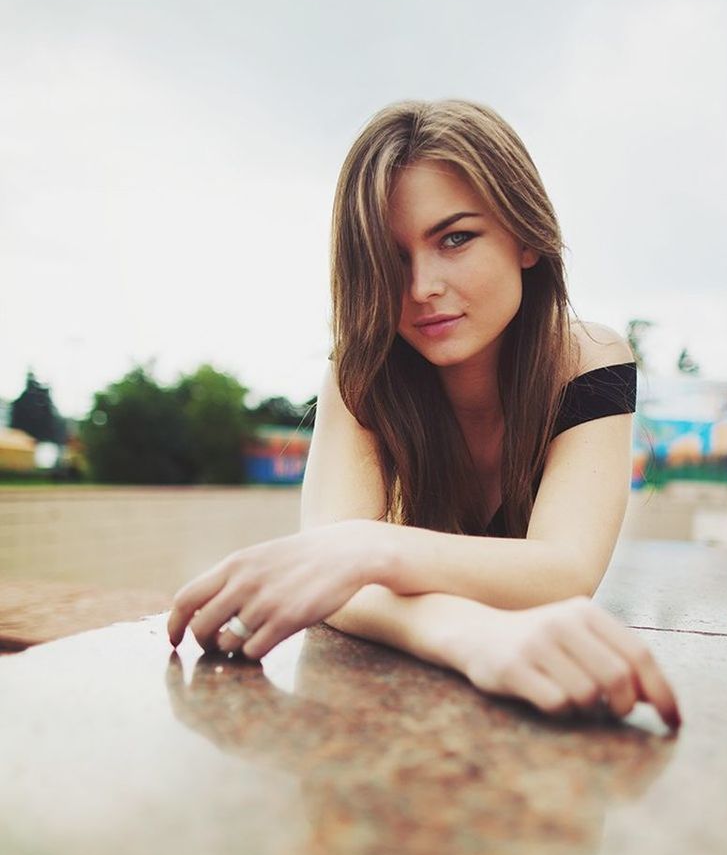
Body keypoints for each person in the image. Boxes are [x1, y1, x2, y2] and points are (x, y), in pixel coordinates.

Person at [168, 99, 681, 731]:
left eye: (455, 239)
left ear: (526, 237)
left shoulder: (590, 360)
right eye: (391, 257)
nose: (420, 288)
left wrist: (366, 546)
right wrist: (468, 636)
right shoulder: (363, 369)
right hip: (382, 729)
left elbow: (564, 571)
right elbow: (331, 579)